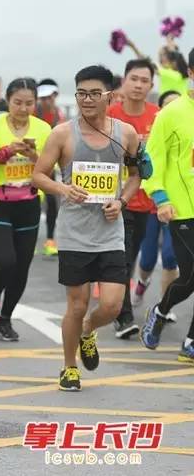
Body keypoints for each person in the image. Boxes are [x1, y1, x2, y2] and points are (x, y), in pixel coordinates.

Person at [33, 65, 140, 391]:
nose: (87, 99)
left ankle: (88, 331)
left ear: (110, 95)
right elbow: (38, 175)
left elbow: (136, 175)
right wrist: (64, 190)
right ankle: (68, 367)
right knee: (76, 305)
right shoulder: (62, 134)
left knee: (110, 304)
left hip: (110, 230)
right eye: (82, 93)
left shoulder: (126, 134)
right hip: (74, 232)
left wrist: (120, 201)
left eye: (95, 93)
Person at [0, 78, 51, 340]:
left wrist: (33, 157)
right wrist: (5, 152)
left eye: (29, 103)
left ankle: (5, 318)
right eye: (18, 102)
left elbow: (50, 169)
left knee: (22, 267)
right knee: (6, 260)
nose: (23, 108)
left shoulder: (43, 129)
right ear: (8, 101)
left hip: (29, 202)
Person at [139, 47, 194, 363]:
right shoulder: (171, 114)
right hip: (182, 209)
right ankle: (160, 312)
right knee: (188, 279)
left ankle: (190, 342)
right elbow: (150, 160)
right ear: (190, 73)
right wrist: (159, 197)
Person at [105, 59, 159, 339]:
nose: (138, 85)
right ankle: (123, 316)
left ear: (151, 85)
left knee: (137, 256)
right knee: (123, 258)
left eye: (144, 81)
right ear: (123, 81)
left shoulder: (159, 115)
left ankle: (120, 302)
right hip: (117, 199)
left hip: (150, 202)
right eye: (134, 79)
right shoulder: (109, 115)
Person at [133, 90, 182, 306]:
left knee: (171, 258)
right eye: (167, 106)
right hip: (151, 206)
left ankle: (164, 304)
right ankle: (142, 283)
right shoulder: (154, 136)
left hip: (179, 207)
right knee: (148, 258)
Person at [36, 78, 65, 257]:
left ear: (55, 95)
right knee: (32, 203)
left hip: (49, 166)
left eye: (49, 97)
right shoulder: (33, 112)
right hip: (30, 164)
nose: (46, 101)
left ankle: (50, 240)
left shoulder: (58, 115)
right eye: (43, 98)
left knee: (52, 202)